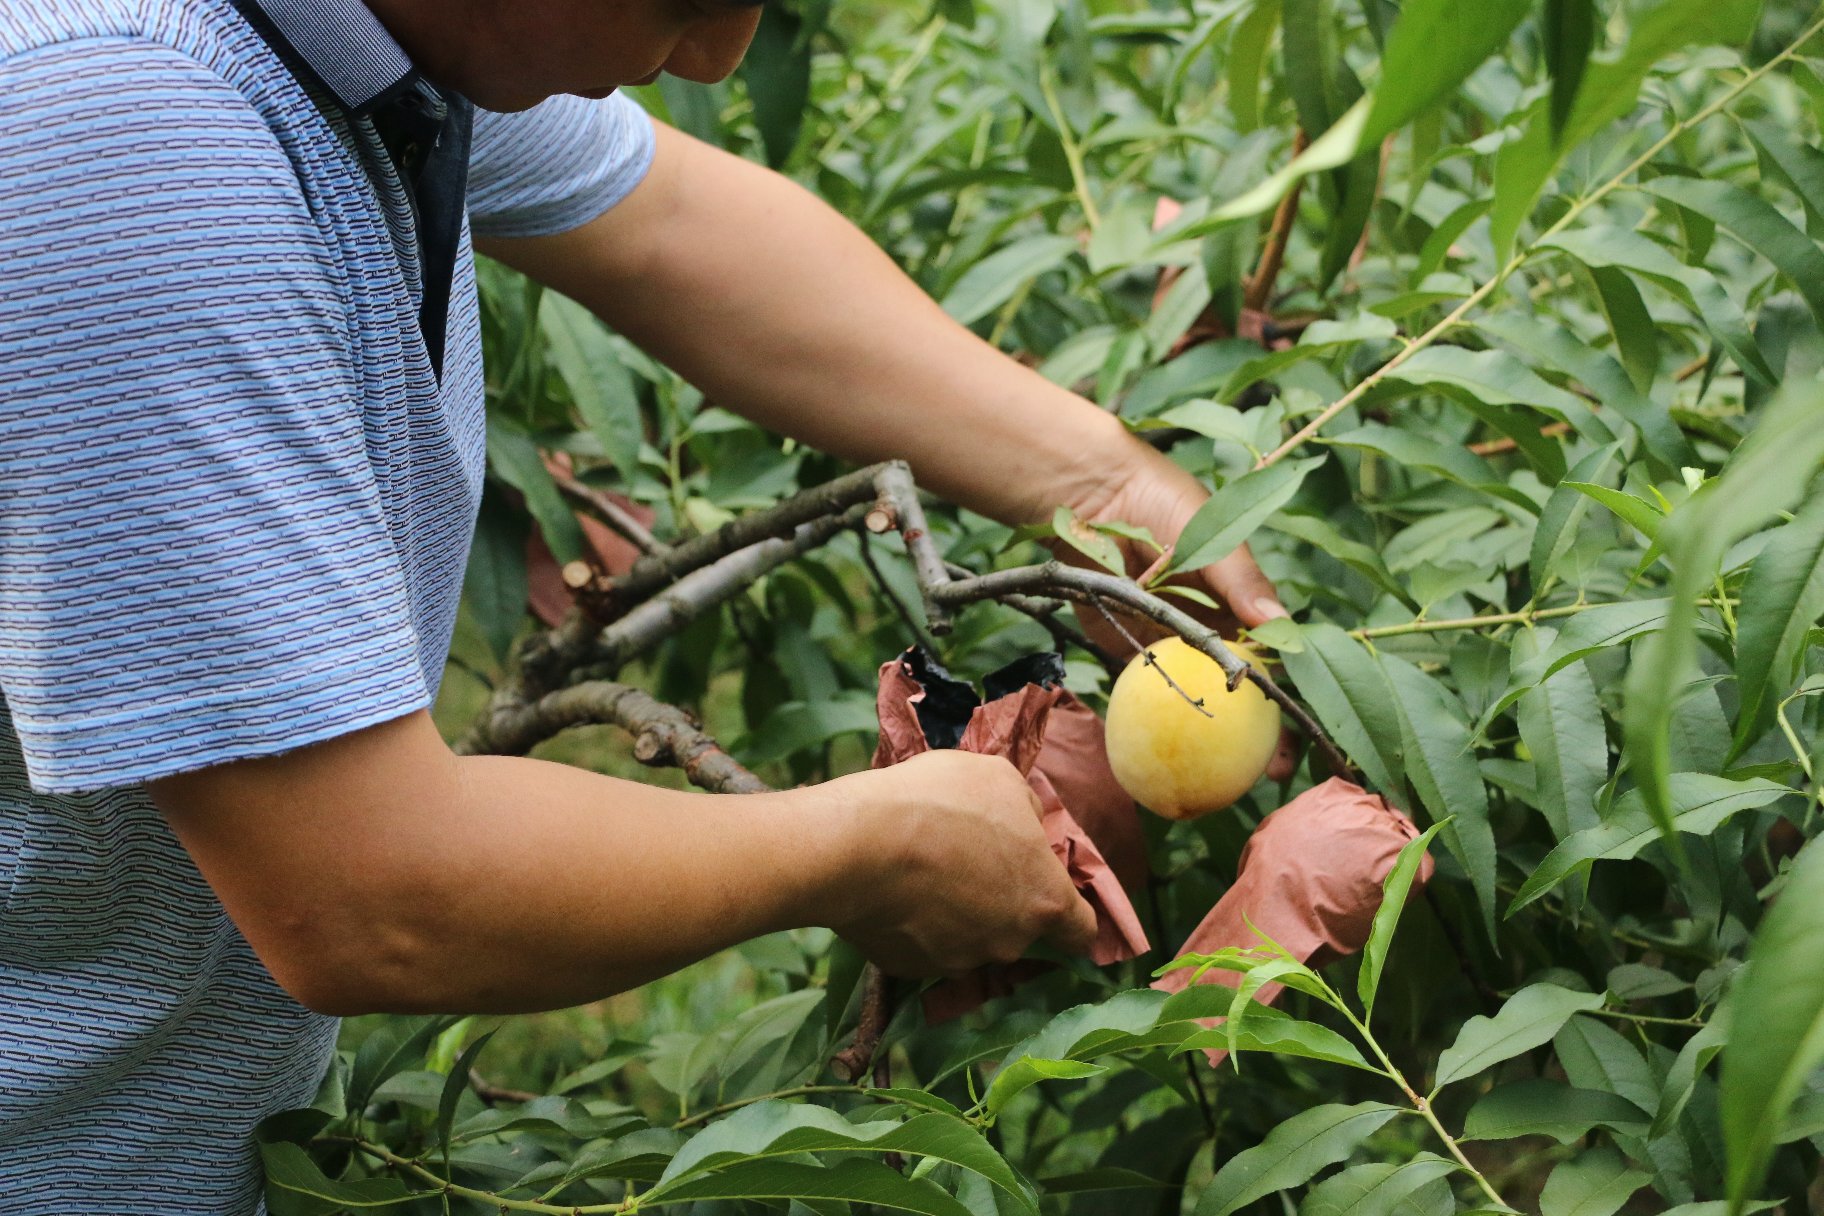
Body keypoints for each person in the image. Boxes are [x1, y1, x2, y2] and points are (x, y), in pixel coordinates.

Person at [0, 0, 1287, 1208]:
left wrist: (1106, 481)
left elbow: (670, 225)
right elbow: (371, 892)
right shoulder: (126, 134)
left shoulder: (378, 38)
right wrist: (871, 846)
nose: (722, 56)